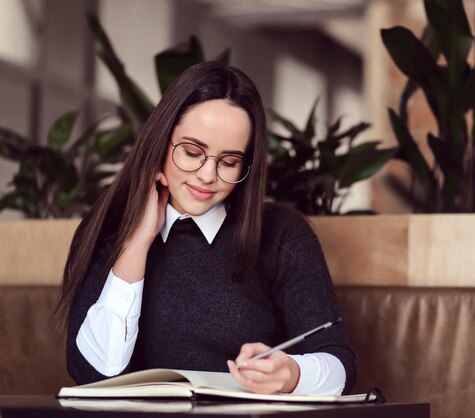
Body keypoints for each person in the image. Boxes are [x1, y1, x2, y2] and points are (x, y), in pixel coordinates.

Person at [57, 61, 356, 395]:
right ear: (160, 141)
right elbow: (93, 376)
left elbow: (340, 365)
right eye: (191, 152)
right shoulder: (107, 231)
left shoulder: (282, 235)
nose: (207, 175)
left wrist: (292, 374)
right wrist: (136, 244)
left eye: (229, 162)